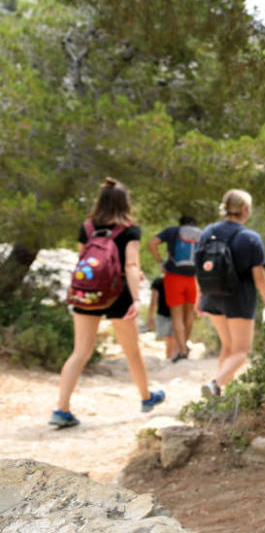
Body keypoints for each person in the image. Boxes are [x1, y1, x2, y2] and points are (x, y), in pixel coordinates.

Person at [52, 178, 165, 428]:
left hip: (88, 292)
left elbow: (86, 260)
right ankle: (146, 397)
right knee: (131, 349)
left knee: (80, 351)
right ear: (125, 203)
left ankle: (61, 409)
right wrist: (136, 298)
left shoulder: (87, 227)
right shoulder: (129, 230)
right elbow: (131, 264)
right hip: (119, 293)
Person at [197, 189, 265, 399]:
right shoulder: (250, 238)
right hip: (239, 299)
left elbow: (201, 267)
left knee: (229, 346)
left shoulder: (207, 232)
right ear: (245, 209)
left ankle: (220, 395)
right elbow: (259, 276)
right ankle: (215, 384)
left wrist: (199, 298)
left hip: (212, 296)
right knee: (242, 351)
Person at [147, 215, 201, 361]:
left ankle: (182, 351)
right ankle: (183, 348)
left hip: (174, 277)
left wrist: (161, 261)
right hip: (193, 278)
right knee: (189, 314)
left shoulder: (172, 231)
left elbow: (151, 243)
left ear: (181, 223)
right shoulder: (200, 235)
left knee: (176, 316)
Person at [148, 276, 178, 360]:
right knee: (172, 338)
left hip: (164, 313)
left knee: (169, 338)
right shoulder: (177, 280)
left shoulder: (158, 282)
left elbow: (153, 300)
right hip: (175, 313)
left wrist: (150, 316)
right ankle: (172, 358)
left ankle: (170, 358)